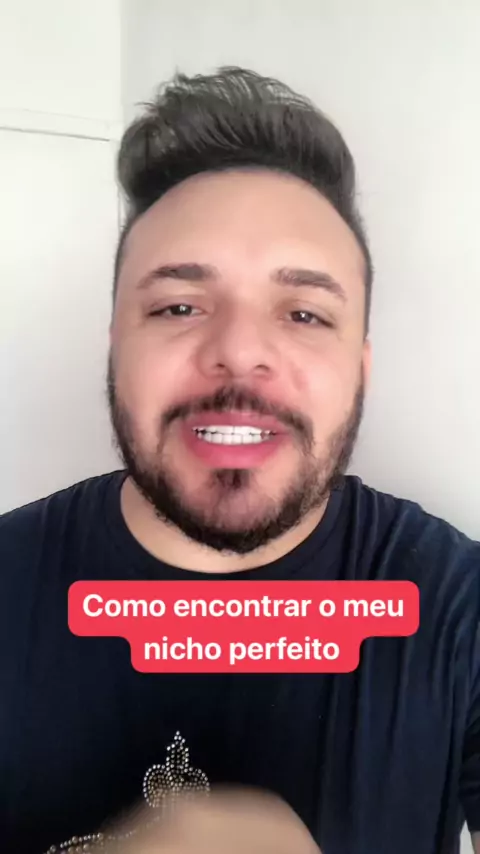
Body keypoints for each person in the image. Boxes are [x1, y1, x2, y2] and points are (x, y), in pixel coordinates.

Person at [0, 65, 479, 854]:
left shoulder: (462, 611)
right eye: (179, 306)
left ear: (360, 369)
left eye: (304, 313)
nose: (239, 351)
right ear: (117, 348)